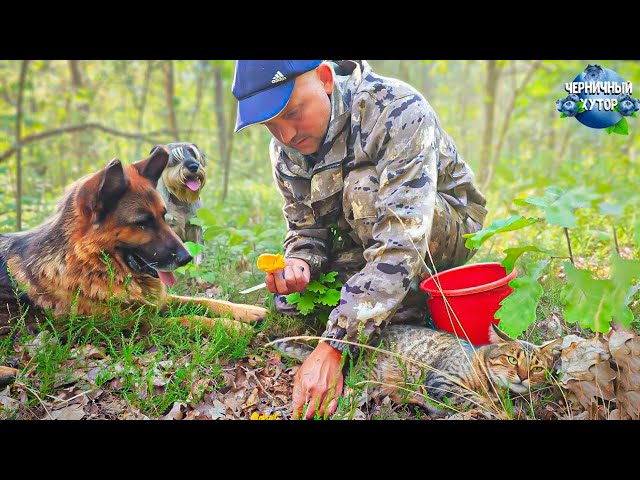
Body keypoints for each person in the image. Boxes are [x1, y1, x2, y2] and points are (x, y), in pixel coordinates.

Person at [232, 60, 488, 419]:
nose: (286, 135)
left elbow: (404, 237)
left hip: (442, 230)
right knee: (289, 302)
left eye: (292, 113)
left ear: (323, 78)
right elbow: (305, 229)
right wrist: (300, 263)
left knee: (362, 187)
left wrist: (335, 343)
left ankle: (411, 306)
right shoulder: (286, 150)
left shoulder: (397, 109)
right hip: (367, 240)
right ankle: (380, 306)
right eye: (270, 125)